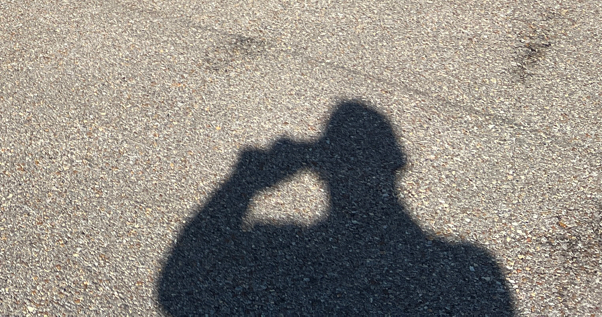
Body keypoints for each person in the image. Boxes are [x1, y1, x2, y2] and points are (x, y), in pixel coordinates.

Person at [157, 101, 513, 315]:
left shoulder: (281, 249)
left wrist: (243, 183)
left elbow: (176, 290)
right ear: (397, 161)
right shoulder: (470, 267)